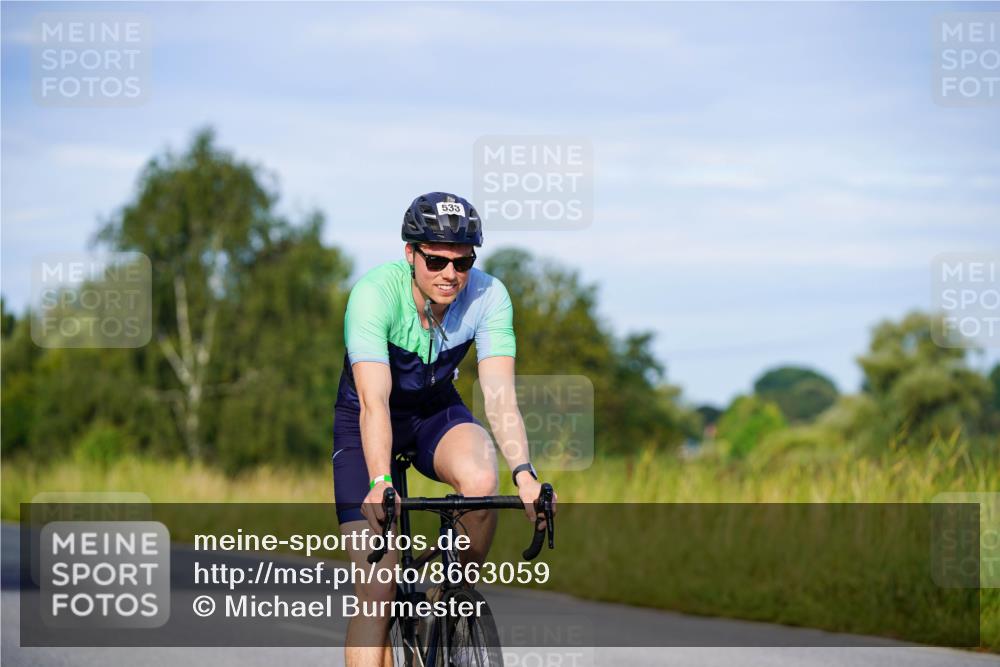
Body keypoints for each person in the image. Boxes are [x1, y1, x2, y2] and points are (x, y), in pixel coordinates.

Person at [332, 192, 553, 667]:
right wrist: (379, 481)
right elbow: (374, 402)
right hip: (369, 422)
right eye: (435, 260)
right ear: (410, 253)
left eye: (463, 261)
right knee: (379, 586)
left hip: (435, 414)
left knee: (481, 481)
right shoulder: (374, 294)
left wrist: (526, 474)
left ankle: (446, 601)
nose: (450, 274)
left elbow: (499, 397)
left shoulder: (489, 296)